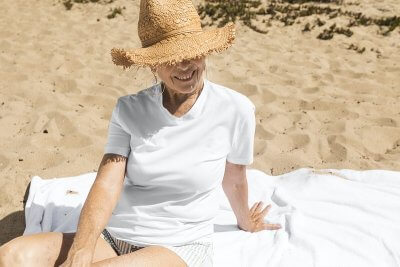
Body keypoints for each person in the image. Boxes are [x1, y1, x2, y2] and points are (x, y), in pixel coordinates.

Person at [0, 0, 281, 266]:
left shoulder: (236, 109)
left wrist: (246, 220)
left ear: (204, 51)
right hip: (115, 236)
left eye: (192, 53)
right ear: (152, 63)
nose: (184, 65)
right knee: (12, 256)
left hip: (179, 245)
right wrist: (81, 251)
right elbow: (108, 184)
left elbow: (234, 178)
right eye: (171, 57)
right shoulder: (129, 110)